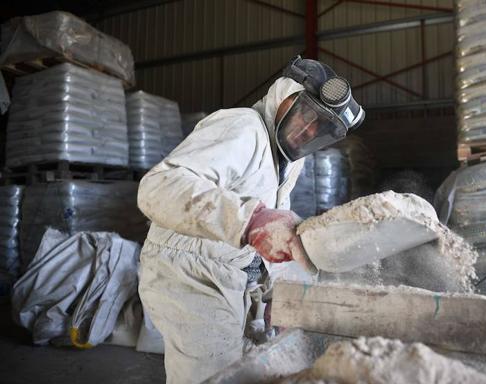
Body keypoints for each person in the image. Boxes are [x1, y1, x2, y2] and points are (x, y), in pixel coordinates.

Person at [136, 56, 365, 384]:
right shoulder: (243, 127)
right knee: (211, 373)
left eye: (321, 127)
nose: (310, 129)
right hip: (188, 270)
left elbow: (276, 224)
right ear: (284, 94)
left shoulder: (287, 159)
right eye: (308, 114)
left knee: (247, 365)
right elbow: (158, 187)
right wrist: (250, 219)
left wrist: (285, 293)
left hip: (230, 271)